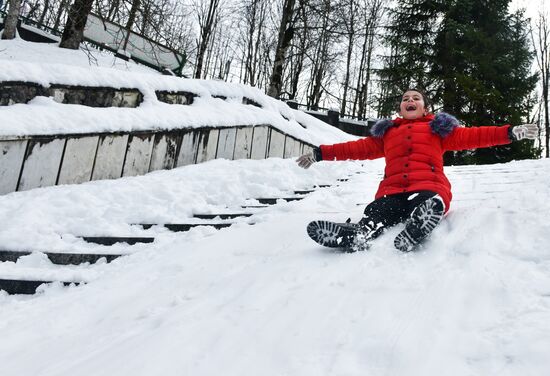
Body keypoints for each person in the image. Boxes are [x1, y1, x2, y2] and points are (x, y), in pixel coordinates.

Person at [296, 89, 538, 252]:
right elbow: (356, 148)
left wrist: (508, 132)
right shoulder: (386, 133)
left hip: (427, 186)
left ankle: (418, 225)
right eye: (405, 99)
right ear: (400, 109)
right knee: (378, 212)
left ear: (425, 108)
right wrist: (320, 153)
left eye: (416, 98)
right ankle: (358, 234)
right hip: (392, 191)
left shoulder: (439, 130)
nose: (410, 101)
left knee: (429, 202)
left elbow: (475, 135)